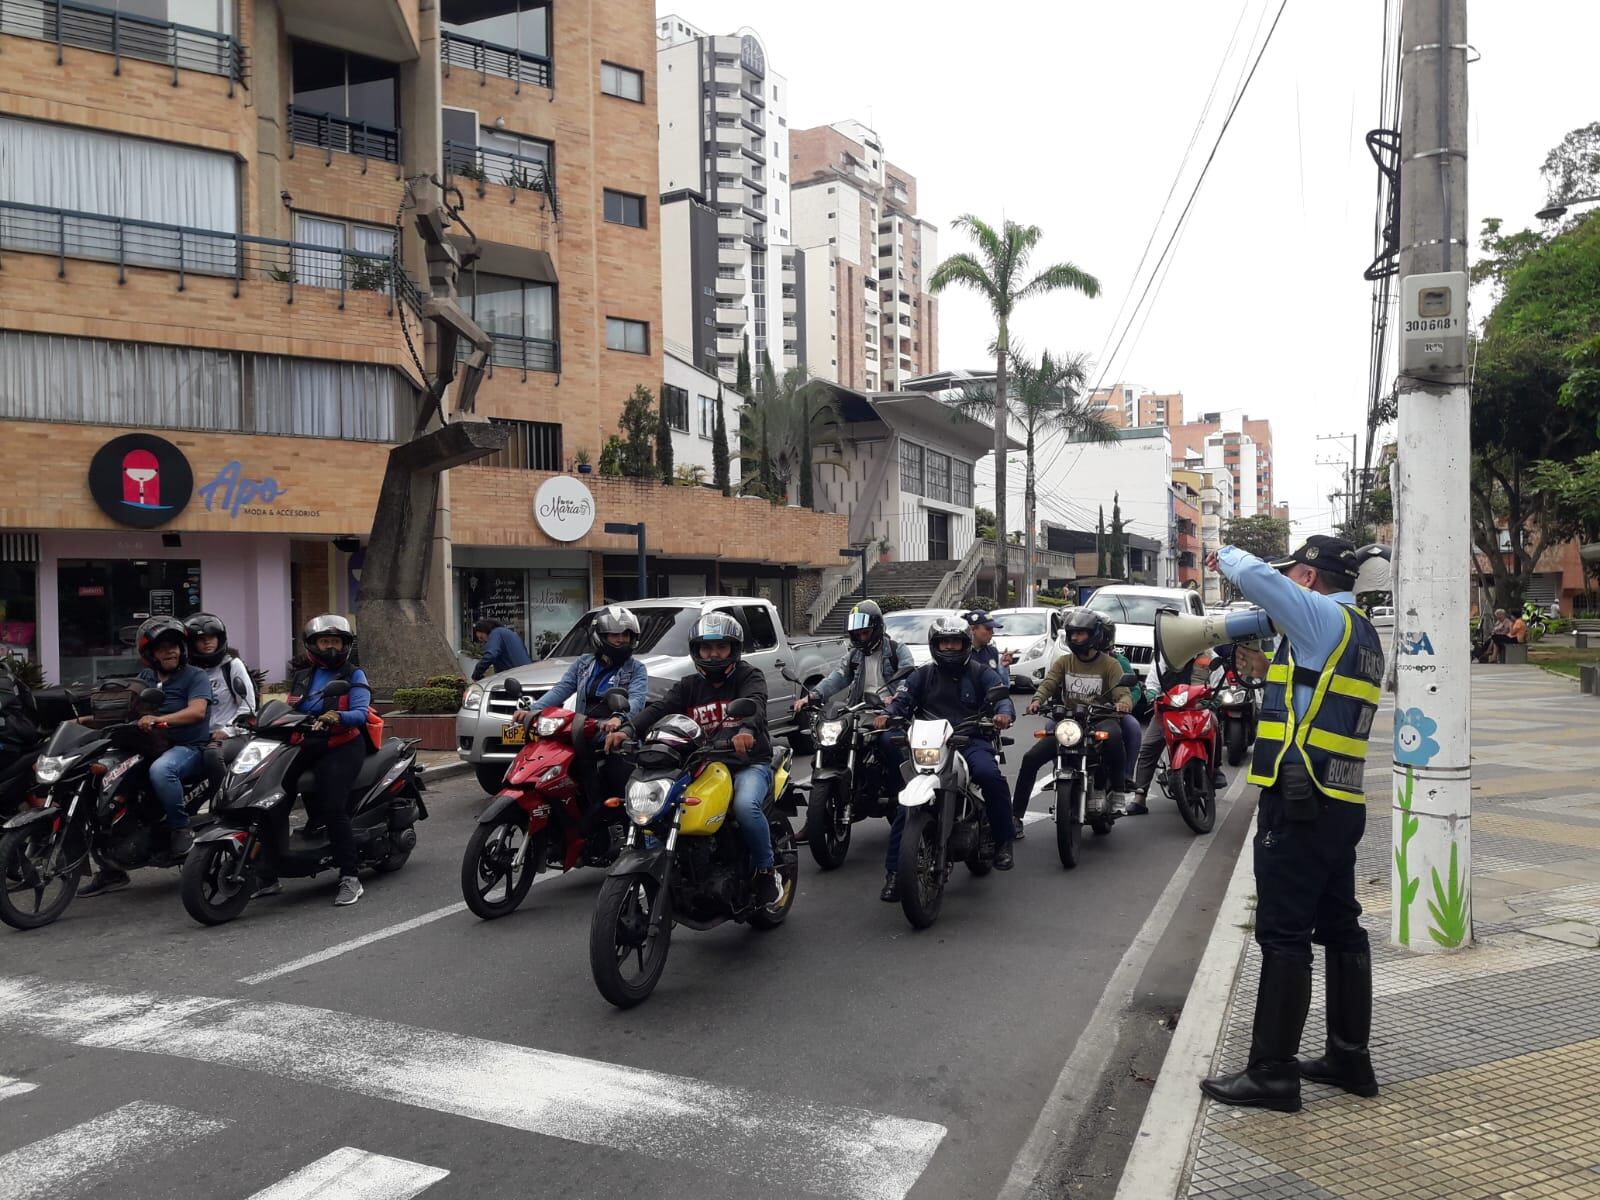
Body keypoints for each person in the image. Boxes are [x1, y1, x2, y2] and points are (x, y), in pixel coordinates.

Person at [1199, 536, 1384, 1112]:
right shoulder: (1362, 630)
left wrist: (1221, 553)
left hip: (1299, 800)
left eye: (1294, 574)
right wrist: (1268, 666)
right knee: (1342, 929)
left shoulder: (1320, 614)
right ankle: (1349, 1057)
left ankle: (1273, 1074)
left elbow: (1260, 579)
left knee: (1283, 935)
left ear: (1307, 578)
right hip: (1340, 800)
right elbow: (1317, 693)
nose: (1289, 583)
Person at [606, 612, 781, 906]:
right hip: (701, 764)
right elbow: (660, 708)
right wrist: (628, 729)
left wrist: (746, 729)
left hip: (747, 762)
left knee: (745, 807)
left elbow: (756, 705)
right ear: (696, 650)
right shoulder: (688, 685)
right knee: (659, 807)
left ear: (733, 649)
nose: (713, 654)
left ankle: (766, 869)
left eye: (721, 647)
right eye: (706, 648)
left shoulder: (748, 676)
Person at [876, 615, 1016, 894]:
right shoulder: (923, 675)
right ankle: (894, 874)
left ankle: (1003, 841)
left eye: (955, 642)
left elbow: (1002, 697)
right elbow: (902, 701)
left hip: (970, 739)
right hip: (930, 743)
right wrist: (887, 715)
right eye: (944, 642)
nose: (950, 647)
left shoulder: (980, 672)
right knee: (907, 805)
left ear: (964, 644)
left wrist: (1003, 714)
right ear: (935, 644)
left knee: (989, 775)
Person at [79, 617, 212, 896]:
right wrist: (82, 721)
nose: (170, 651)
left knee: (162, 772)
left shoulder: (195, 676)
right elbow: (126, 708)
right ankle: (112, 868)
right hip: (148, 746)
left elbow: (197, 711)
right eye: (163, 648)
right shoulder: (146, 679)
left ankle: (180, 829)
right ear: (150, 654)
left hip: (187, 747)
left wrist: (161, 719)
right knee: (97, 781)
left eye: (174, 646)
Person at [518, 605, 648, 846]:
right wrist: (533, 710)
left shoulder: (636, 669)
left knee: (619, 779)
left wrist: (619, 719)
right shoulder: (583, 663)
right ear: (601, 637)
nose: (621, 640)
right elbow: (561, 690)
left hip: (616, 737)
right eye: (614, 635)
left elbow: (637, 700)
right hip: (580, 730)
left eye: (626, 635)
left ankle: (634, 834)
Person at [273, 615, 376, 908]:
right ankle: (267, 872)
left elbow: (360, 713)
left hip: (342, 744)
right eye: (325, 641)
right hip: (307, 743)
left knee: (333, 806)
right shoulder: (303, 677)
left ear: (345, 645)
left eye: (336, 642)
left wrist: (337, 716)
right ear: (313, 645)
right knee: (274, 797)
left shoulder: (354, 674)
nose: (331, 648)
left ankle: (349, 876)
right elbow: (292, 708)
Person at [795, 600, 916, 841]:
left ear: (877, 628)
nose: (861, 637)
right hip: (860, 710)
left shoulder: (897, 649)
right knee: (826, 748)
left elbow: (909, 676)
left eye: (865, 632)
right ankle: (815, 820)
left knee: (889, 745)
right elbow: (837, 678)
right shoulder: (854, 656)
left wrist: (897, 697)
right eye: (857, 633)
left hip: (890, 714)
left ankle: (903, 799)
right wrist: (813, 696)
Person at [1012, 608, 1131, 836]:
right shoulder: (1064, 662)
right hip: (1071, 723)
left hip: (1100, 719)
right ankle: (1015, 817)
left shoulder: (1110, 665)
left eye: (1081, 633)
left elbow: (1123, 692)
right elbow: (1049, 683)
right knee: (1030, 759)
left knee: (1115, 736)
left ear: (1094, 635)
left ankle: (1117, 791)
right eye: (1072, 633)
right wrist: (1037, 700)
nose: (1075, 638)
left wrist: (1123, 703)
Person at [1127, 625, 1233, 817]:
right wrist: (1151, 693)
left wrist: (1216, 698)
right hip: (1168, 712)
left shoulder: (1210, 657)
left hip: (1199, 711)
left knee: (1215, 725)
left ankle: (1215, 769)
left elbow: (1221, 685)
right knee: (1149, 745)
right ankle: (1139, 796)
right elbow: (1152, 681)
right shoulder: (1165, 657)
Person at [184, 613, 257, 793]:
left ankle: (222, 803)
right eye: (201, 639)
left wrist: (226, 730)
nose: (207, 642)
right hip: (199, 737)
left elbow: (248, 706)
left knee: (212, 754)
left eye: (211, 637)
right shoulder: (188, 672)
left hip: (233, 735)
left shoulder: (232, 665)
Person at [964, 611, 1014, 685]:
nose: (992, 632)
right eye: (988, 628)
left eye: (992, 629)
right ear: (973, 629)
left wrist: (1003, 667)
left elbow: (1002, 686)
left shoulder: (992, 651)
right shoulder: (962, 653)